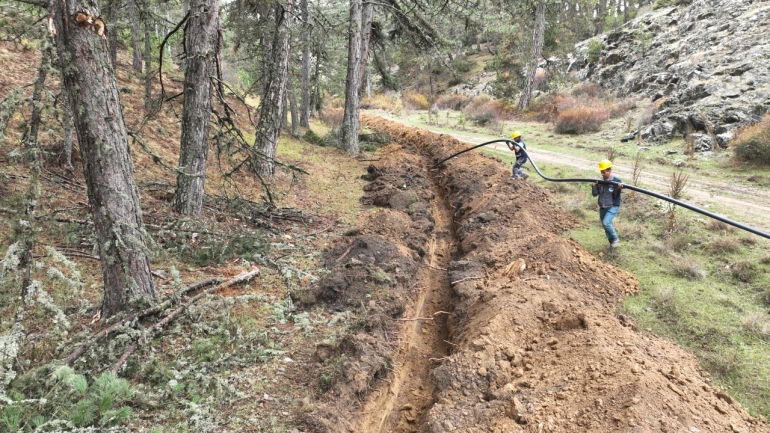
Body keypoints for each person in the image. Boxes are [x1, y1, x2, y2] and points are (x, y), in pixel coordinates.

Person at [592, 159, 623, 248]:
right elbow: (595, 194)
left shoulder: (616, 181)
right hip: (603, 206)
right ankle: (612, 242)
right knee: (605, 225)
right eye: (601, 172)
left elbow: (616, 196)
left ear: (609, 171)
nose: (602, 174)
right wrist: (594, 186)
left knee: (606, 223)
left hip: (612, 206)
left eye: (604, 172)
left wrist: (618, 189)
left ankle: (615, 238)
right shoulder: (600, 181)